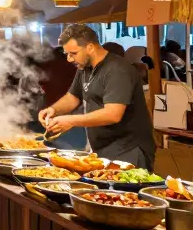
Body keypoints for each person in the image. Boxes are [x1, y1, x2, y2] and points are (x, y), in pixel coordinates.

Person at [40, 24, 156, 169]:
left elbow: (113, 114)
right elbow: (72, 97)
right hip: (103, 150)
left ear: (90, 47)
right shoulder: (84, 67)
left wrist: (70, 121)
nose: (69, 59)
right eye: (67, 54)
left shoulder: (117, 70)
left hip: (128, 150)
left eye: (73, 53)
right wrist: (53, 110)